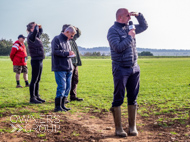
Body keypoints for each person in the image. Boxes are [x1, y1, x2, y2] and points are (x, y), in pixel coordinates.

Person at [107, 8, 148, 137]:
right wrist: (130, 37)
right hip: (120, 68)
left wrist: (138, 15)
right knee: (118, 97)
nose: (129, 18)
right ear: (120, 17)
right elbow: (118, 48)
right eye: (127, 16)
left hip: (134, 68)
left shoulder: (130, 27)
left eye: (130, 16)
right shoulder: (112, 31)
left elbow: (144, 26)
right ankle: (118, 128)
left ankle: (132, 127)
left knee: (133, 97)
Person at [51, 26, 76, 112]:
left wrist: (71, 54)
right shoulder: (56, 39)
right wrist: (67, 53)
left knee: (68, 87)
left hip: (68, 67)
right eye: (71, 35)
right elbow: (55, 51)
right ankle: (57, 106)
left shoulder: (68, 41)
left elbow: (67, 53)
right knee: (62, 87)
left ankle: (63, 105)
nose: (72, 37)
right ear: (67, 32)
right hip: (60, 67)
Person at [62, 24, 83, 103]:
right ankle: (65, 97)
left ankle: (73, 96)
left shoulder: (72, 38)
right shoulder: (64, 39)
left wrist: (76, 28)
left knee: (75, 79)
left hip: (75, 63)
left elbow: (79, 34)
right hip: (69, 62)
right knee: (68, 81)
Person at [26, 22, 45, 104]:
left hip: (40, 59)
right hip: (35, 60)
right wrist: (36, 27)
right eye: (35, 27)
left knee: (38, 79)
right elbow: (35, 33)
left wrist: (40, 28)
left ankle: (37, 96)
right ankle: (32, 98)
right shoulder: (30, 36)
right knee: (34, 79)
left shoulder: (36, 37)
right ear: (31, 29)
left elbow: (39, 32)